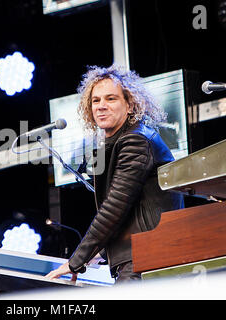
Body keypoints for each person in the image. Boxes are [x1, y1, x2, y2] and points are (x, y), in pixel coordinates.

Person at [45, 64, 184, 283]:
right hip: (140, 258)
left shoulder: (135, 140)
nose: (101, 106)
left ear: (130, 105)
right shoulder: (119, 142)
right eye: (96, 100)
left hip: (148, 259)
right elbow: (129, 217)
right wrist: (97, 255)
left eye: (111, 99)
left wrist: (76, 261)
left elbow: (114, 208)